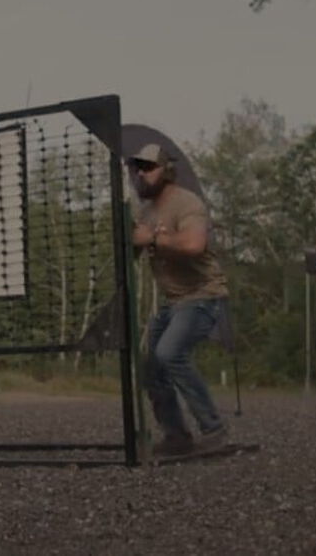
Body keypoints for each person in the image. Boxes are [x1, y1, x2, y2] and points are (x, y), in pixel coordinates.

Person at [128, 142, 230, 457]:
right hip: (174, 301)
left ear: (167, 171)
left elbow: (195, 244)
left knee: (169, 352)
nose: (141, 175)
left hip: (203, 295)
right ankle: (176, 436)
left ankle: (213, 428)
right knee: (150, 368)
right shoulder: (144, 211)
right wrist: (130, 240)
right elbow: (134, 249)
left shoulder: (187, 203)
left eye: (148, 168)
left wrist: (153, 238)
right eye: (138, 169)